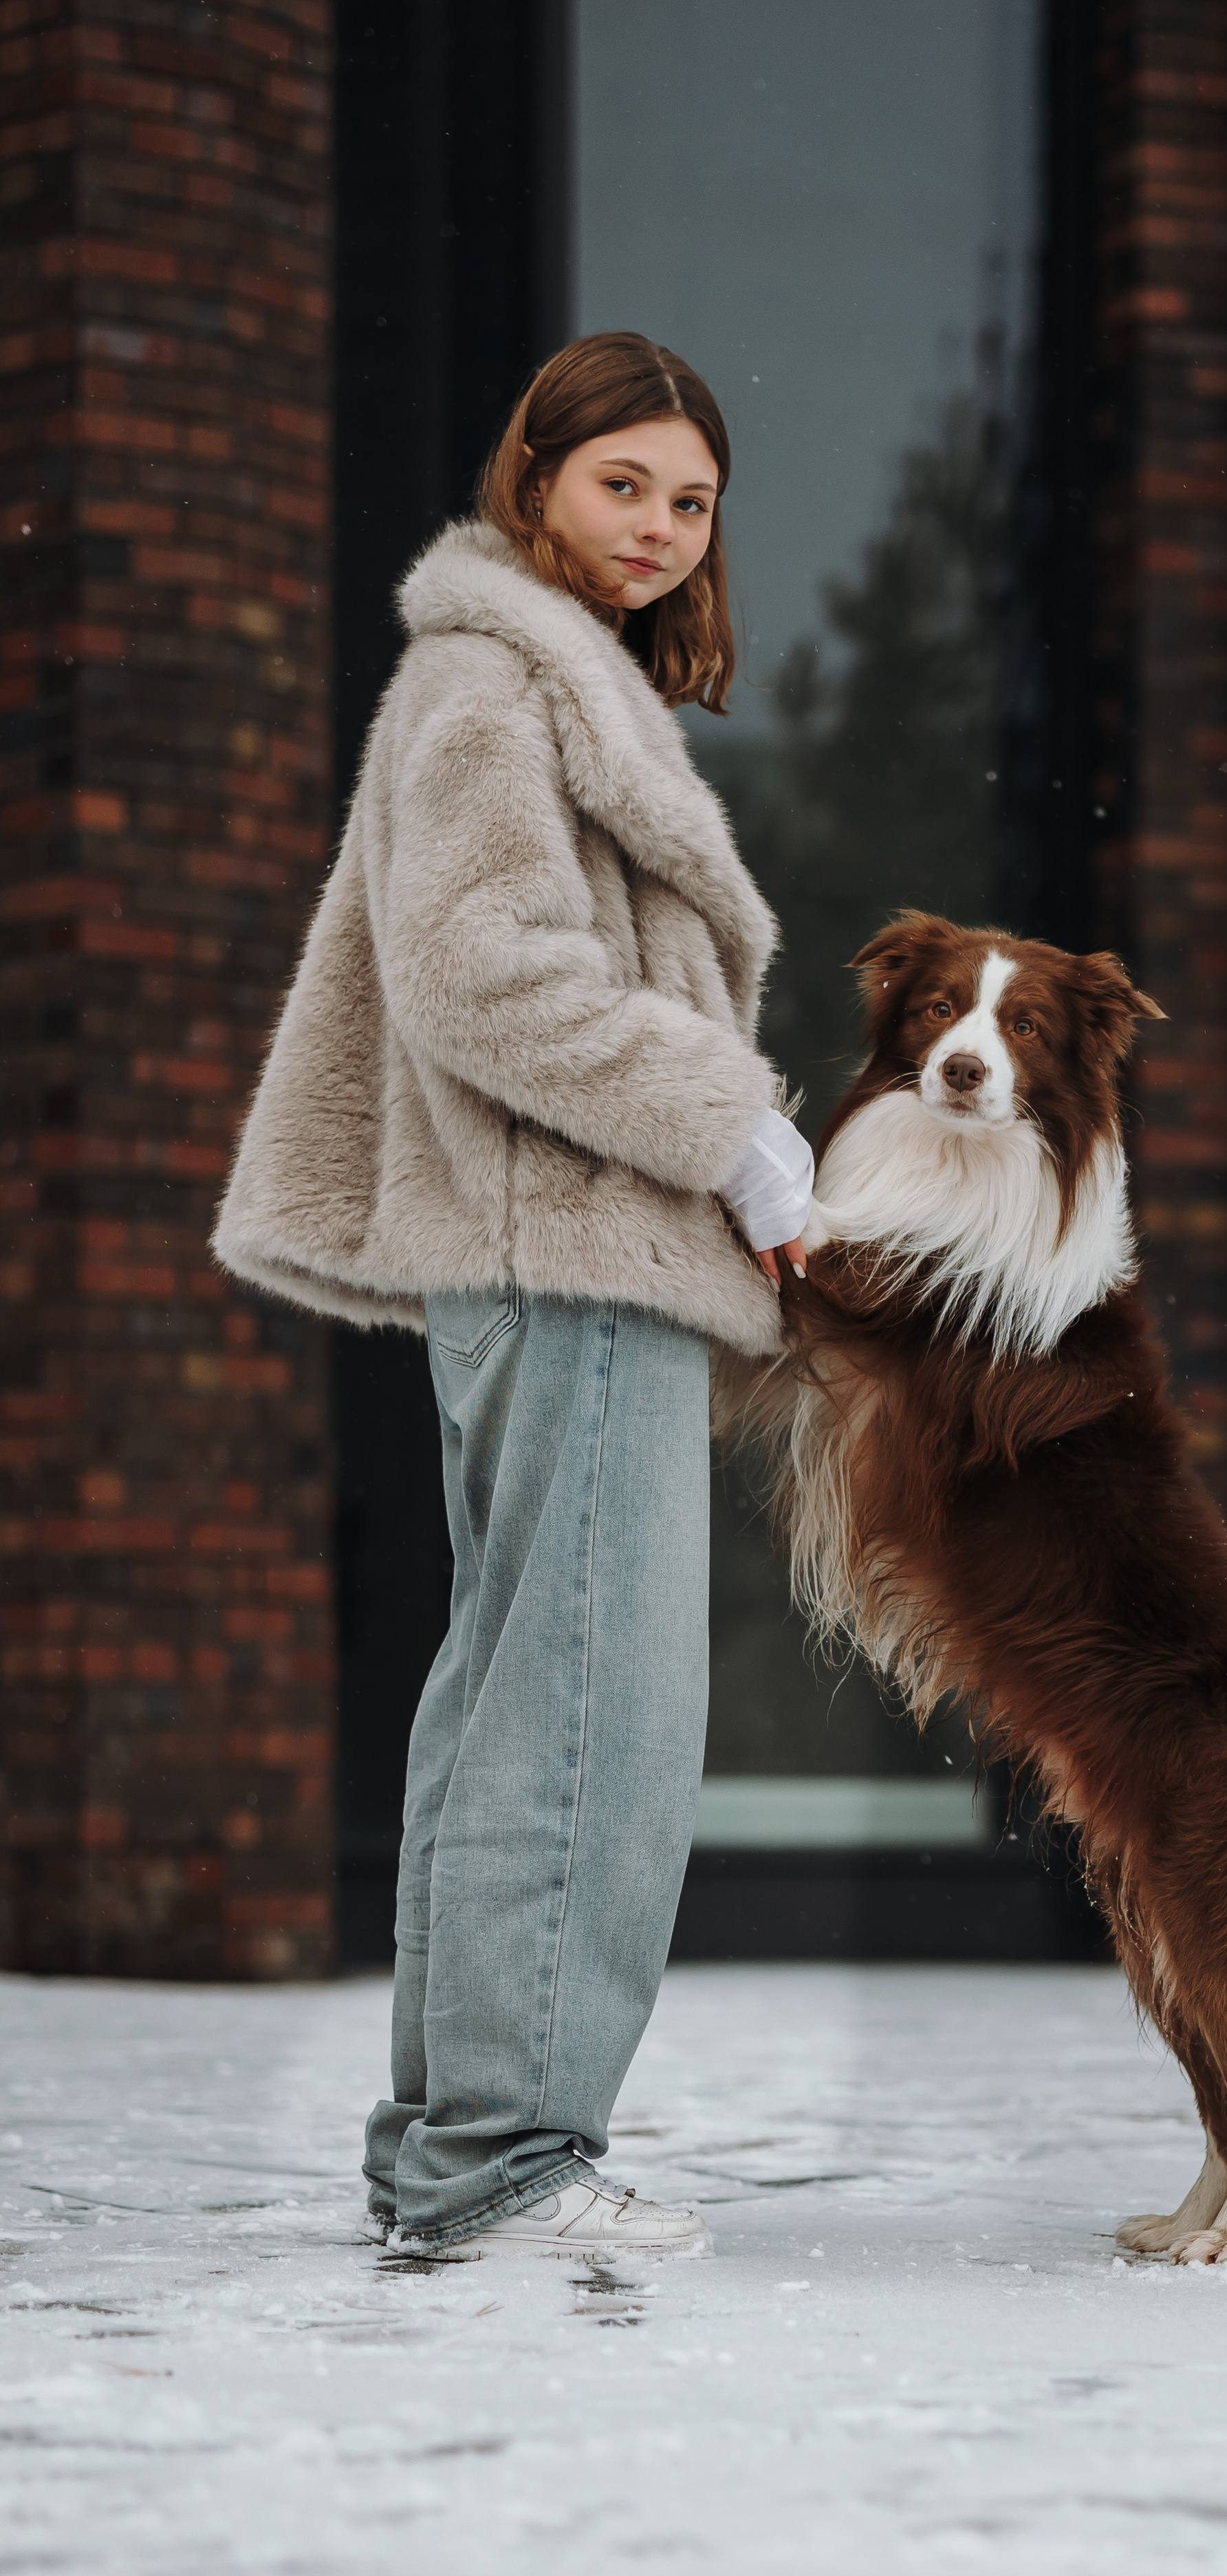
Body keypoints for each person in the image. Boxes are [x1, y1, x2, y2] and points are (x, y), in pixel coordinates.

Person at [214, 334, 814, 2259]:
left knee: (517, 1696)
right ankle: (506, 2160)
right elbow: (487, 979)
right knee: (588, 1707)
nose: (654, 527)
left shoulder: (553, 686)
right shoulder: (489, 685)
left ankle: (454, 2146)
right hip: (568, 1240)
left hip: (557, 1245)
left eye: (690, 499)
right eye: (620, 481)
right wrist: (737, 1127)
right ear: (535, 474)